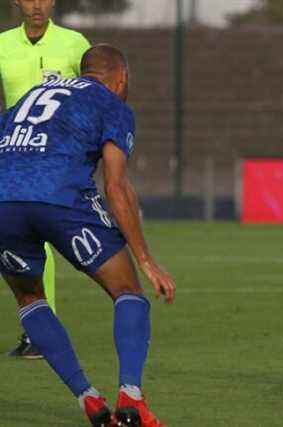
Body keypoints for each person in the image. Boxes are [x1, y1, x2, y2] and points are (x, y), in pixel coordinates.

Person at [0, 44, 174, 427]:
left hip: (3, 204)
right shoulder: (112, 104)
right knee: (127, 291)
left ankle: (89, 401)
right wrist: (146, 259)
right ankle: (131, 399)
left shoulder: (32, 95)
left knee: (29, 297)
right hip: (61, 198)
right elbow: (116, 186)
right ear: (122, 78)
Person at [0, 0, 91, 358]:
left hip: (56, 154)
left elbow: (94, 95)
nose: (37, 5)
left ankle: (40, 332)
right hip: (12, 150)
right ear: (16, 2)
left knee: (32, 236)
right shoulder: (3, 44)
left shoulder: (74, 44)